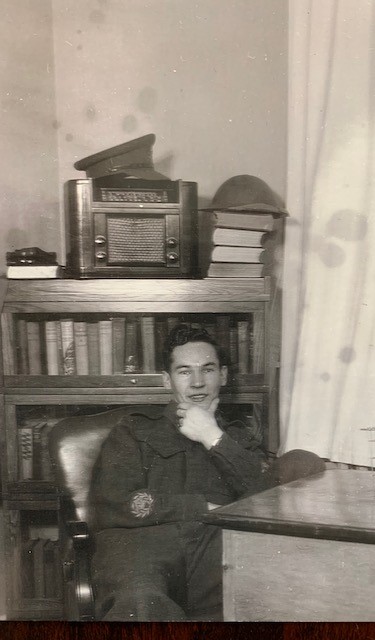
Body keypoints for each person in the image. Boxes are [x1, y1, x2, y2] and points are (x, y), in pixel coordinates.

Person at [89, 323, 324, 621]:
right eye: (185, 371)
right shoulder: (134, 430)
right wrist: (201, 507)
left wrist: (213, 438)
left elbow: (267, 503)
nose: (198, 382)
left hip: (218, 549)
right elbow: (114, 502)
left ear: (223, 376)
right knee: (142, 602)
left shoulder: (237, 439)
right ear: (167, 380)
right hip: (145, 546)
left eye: (208, 370)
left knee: (303, 462)